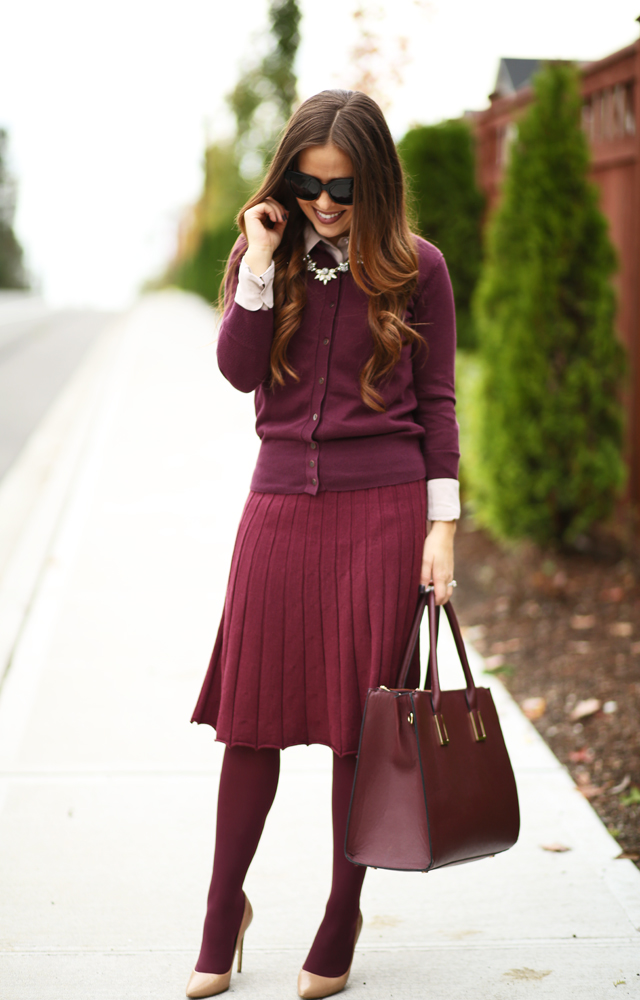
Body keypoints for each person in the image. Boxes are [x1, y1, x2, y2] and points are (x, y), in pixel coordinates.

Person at [186, 88, 460, 1000]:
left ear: (374, 183)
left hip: (380, 514)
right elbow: (235, 372)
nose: (327, 205)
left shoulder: (418, 269)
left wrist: (441, 531)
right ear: (287, 179)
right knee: (251, 723)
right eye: (310, 185)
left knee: (356, 731)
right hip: (278, 510)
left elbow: (438, 409)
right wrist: (261, 260)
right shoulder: (266, 256)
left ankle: (341, 916)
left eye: (344, 189)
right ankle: (223, 912)